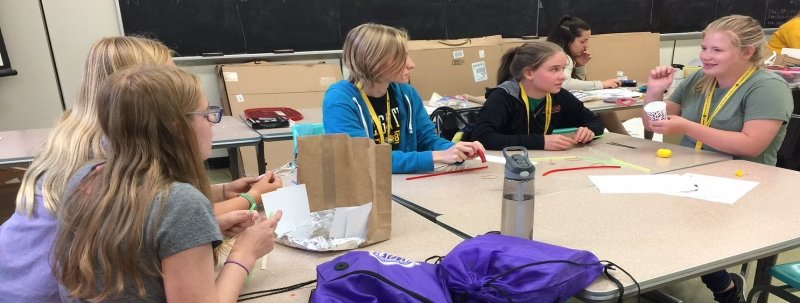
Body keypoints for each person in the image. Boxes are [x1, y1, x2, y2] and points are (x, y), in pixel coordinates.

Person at [0, 36, 278, 302]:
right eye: (207, 114)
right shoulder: (180, 202)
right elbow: (168, 218)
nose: (213, 123)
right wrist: (244, 253)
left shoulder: (85, 176)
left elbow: (137, 233)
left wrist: (205, 231)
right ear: (175, 126)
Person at [643, 15, 793, 303]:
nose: (706, 57)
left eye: (717, 50)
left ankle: (724, 287)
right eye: (704, 48)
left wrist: (686, 126)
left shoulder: (768, 87)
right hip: (693, 172)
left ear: (747, 52)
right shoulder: (701, 78)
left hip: (745, 181)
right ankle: (662, 277)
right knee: (643, 211)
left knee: (683, 221)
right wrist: (654, 91)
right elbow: (655, 123)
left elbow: (752, 145)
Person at [323, 23, 484, 173]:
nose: (411, 64)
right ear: (374, 61)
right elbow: (363, 158)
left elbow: (426, 139)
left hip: (405, 184)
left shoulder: (407, 94)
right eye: (401, 58)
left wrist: (456, 150)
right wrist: (439, 156)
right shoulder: (339, 100)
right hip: (364, 190)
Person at [470, 40, 604, 151]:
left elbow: (595, 121)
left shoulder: (559, 95)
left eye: (563, 69)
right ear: (529, 73)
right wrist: (540, 142)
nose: (562, 76)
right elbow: (482, 136)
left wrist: (589, 130)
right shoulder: (504, 97)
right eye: (554, 69)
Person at [546, 15, 630, 135]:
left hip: (561, 105)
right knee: (606, 111)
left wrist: (580, 66)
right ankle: (626, 139)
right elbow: (565, 84)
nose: (586, 45)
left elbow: (575, 88)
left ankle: (625, 139)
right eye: (582, 41)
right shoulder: (564, 58)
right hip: (555, 109)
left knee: (603, 112)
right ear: (567, 40)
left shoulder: (554, 53)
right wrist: (601, 84)